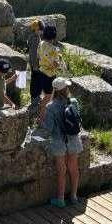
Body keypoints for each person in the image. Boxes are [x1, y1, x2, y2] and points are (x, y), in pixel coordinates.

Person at [40, 77, 82, 207]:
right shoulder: (73, 102)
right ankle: (74, 196)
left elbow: (49, 128)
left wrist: (41, 121)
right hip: (73, 139)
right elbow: (78, 119)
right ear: (65, 89)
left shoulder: (50, 106)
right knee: (74, 169)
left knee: (61, 170)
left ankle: (60, 199)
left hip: (58, 141)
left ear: (55, 90)